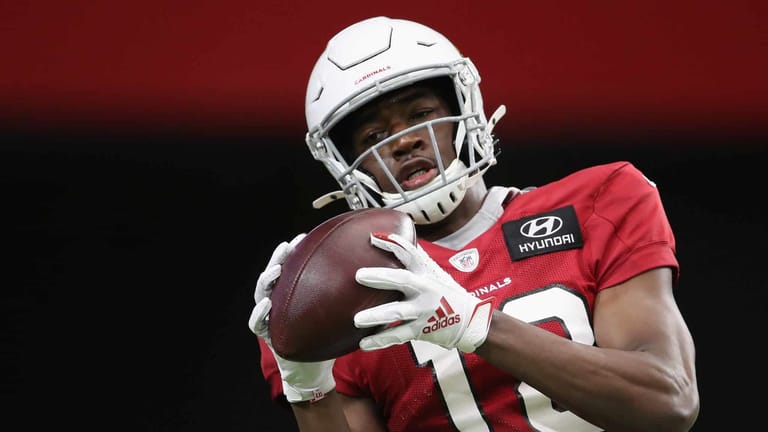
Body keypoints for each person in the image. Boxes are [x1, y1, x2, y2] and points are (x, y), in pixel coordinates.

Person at [248, 16, 700, 432]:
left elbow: (667, 403)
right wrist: (308, 387)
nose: (403, 142)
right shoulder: (345, 287)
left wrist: (472, 323)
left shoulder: (599, 202)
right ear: (345, 163)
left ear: (464, 109)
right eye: (374, 136)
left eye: (421, 114)